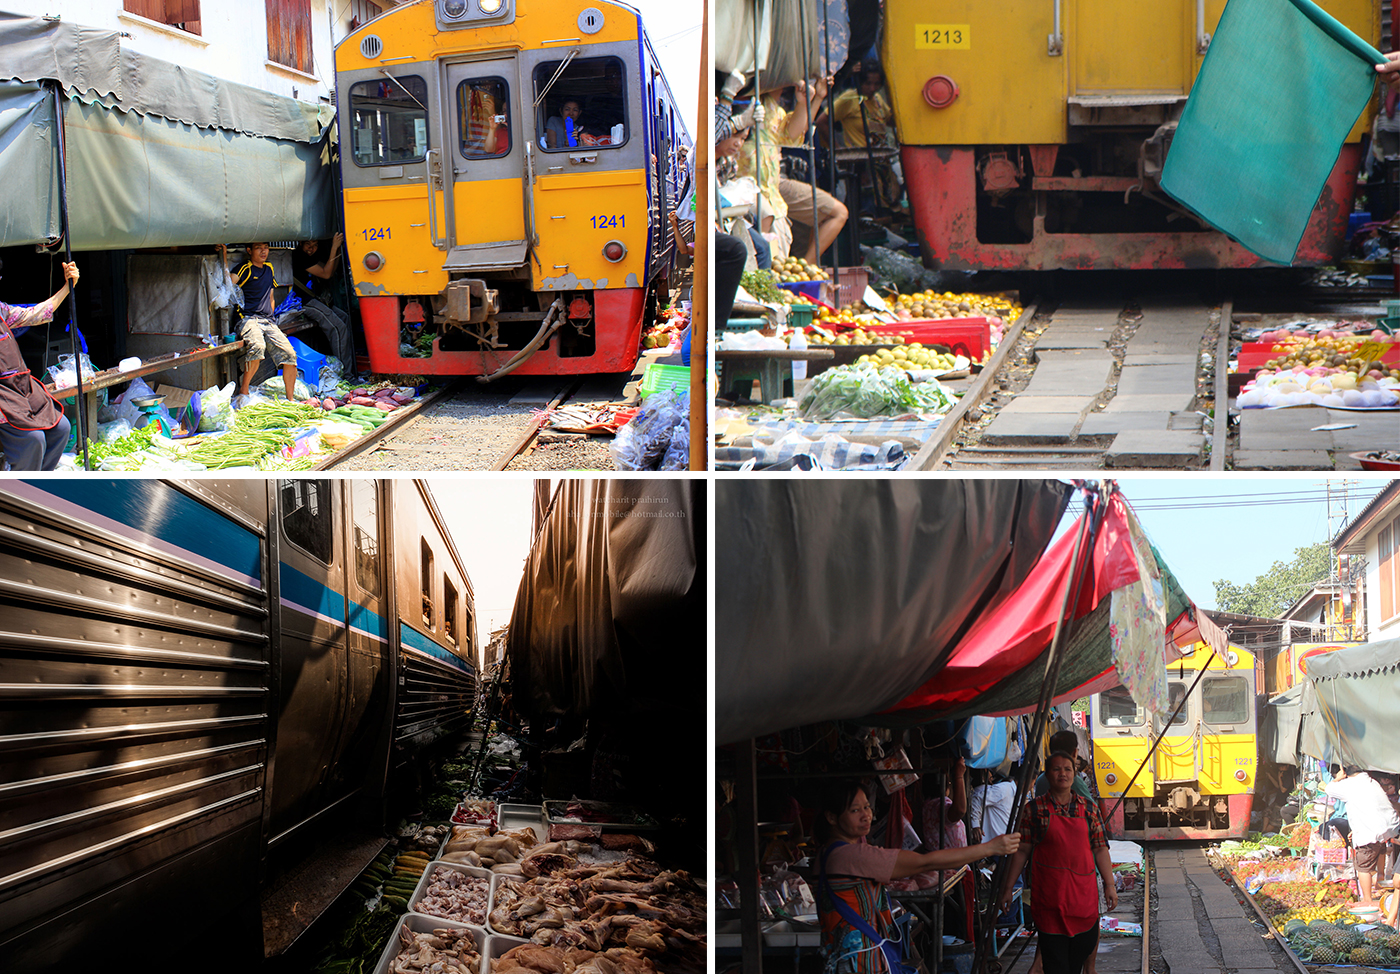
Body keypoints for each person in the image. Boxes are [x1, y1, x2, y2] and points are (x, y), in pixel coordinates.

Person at [816, 781, 1020, 974]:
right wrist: (989, 848)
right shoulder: (850, 856)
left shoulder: (828, 853)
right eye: (855, 810)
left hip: (852, 958)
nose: (866, 815)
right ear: (832, 818)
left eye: (867, 807)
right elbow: (926, 862)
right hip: (858, 963)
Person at [997, 752, 1118, 974]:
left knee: (1082, 947)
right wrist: (1007, 888)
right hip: (1050, 898)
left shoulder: (1089, 810)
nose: (1062, 773)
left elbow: (1101, 849)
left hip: (1083, 898)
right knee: (1055, 961)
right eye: (1056, 769)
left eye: (1068, 769)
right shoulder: (1033, 810)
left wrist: (1110, 885)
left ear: (1075, 775)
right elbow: (1021, 850)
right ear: (1047, 774)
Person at [741, 76, 849, 264]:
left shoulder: (776, 110)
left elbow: (795, 133)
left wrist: (813, 99)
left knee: (838, 212)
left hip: (774, 187)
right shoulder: (746, 103)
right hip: (750, 189)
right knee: (769, 242)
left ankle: (805, 268)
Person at [0, 259, 77, 470]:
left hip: (19, 387)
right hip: (2, 397)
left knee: (62, 427)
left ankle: (41, 477)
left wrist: (67, 287)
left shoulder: (2, 312)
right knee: (34, 439)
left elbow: (37, 313)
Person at [219, 243, 299, 400]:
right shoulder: (245, 268)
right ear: (249, 251)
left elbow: (271, 295)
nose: (263, 251)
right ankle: (244, 392)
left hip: (268, 321)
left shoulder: (269, 268)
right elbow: (227, 284)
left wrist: (272, 319)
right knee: (257, 346)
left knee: (290, 354)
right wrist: (223, 254)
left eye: (266, 247)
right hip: (247, 318)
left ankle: (290, 400)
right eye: (258, 248)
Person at [1323, 767, 1400, 908]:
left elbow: (1329, 789)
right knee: (1379, 849)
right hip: (1385, 828)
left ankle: (1367, 900)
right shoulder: (1372, 782)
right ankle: (1380, 879)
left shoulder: (1350, 784)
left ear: (1347, 773)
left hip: (1370, 832)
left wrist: (1338, 778)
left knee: (1363, 867)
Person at [291, 234, 354, 370]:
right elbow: (325, 273)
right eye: (308, 244)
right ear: (301, 243)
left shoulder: (310, 257)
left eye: (315, 245)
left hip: (315, 299)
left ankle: (346, 367)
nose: (311, 248)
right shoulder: (299, 257)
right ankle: (347, 374)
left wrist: (337, 251)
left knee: (344, 318)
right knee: (338, 327)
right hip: (303, 302)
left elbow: (330, 271)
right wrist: (334, 247)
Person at [969, 769, 1018, 845]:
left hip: (1003, 843)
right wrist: (975, 825)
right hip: (994, 843)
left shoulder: (1015, 794)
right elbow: (978, 799)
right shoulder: (1003, 789)